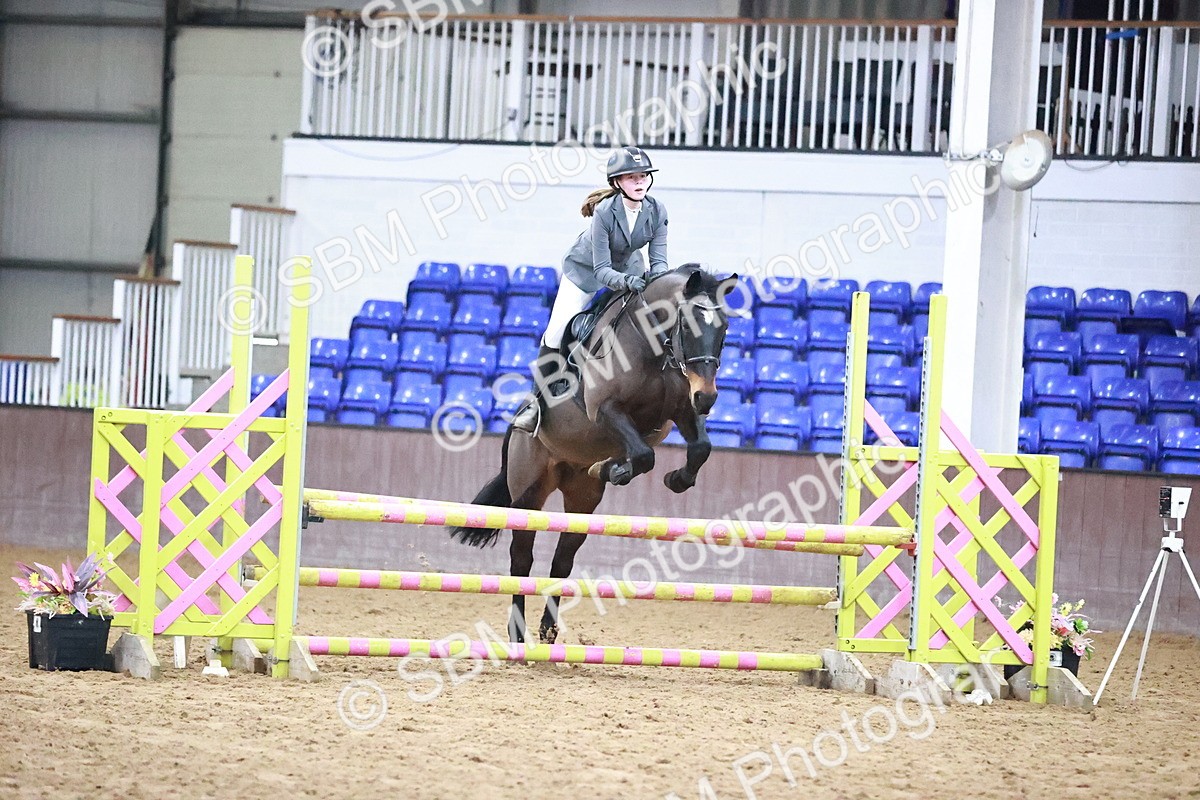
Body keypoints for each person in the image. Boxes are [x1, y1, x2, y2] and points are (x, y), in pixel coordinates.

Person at [511, 145, 669, 433]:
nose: (639, 182)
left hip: (629, 268)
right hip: (585, 272)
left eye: (643, 176)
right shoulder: (605, 213)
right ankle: (535, 405)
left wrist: (658, 283)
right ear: (617, 182)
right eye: (631, 177)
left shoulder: (657, 210)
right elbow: (601, 270)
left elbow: (659, 262)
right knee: (556, 331)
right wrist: (628, 282)